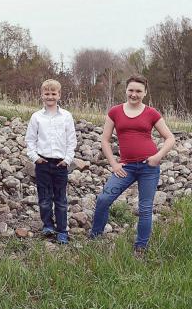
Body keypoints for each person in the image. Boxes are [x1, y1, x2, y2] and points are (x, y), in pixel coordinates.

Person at [90, 74, 175, 256]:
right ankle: (95, 238)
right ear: (126, 91)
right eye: (131, 90)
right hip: (125, 168)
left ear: (145, 93)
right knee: (104, 199)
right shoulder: (115, 111)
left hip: (148, 168)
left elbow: (170, 138)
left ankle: (140, 248)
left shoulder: (152, 113)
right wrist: (114, 164)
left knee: (145, 208)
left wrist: (157, 156)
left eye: (138, 91)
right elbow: (105, 140)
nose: (134, 94)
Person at [25, 79, 77, 244]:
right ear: (41, 95)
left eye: (53, 93)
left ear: (59, 95)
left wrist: (68, 159)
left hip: (60, 164)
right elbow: (30, 140)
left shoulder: (66, 116)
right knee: (45, 198)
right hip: (43, 163)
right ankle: (48, 224)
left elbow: (71, 140)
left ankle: (62, 230)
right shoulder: (37, 117)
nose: (50, 96)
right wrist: (35, 158)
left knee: (60, 199)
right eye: (47, 93)